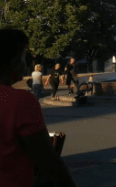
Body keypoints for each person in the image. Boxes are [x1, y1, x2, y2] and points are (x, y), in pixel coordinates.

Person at [0, 28, 78, 187]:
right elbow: (48, 161)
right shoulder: (20, 101)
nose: (26, 64)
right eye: (23, 58)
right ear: (14, 61)